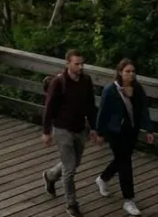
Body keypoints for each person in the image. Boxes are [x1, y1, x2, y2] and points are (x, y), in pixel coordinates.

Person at [43, 49, 100, 217]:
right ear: (67, 63)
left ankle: (50, 176)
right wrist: (47, 131)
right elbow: (49, 108)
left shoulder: (86, 80)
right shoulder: (59, 82)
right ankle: (71, 204)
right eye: (77, 64)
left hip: (79, 128)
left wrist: (94, 127)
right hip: (62, 129)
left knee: (75, 163)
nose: (80, 67)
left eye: (82, 63)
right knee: (70, 170)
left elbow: (90, 105)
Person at [95, 59, 154, 216]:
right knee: (125, 163)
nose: (131, 74)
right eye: (127, 71)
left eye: (133, 71)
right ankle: (129, 200)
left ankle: (103, 178)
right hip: (115, 132)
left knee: (122, 159)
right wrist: (99, 133)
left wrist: (149, 129)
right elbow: (103, 113)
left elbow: (143, 109)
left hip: (131, 131)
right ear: (120, 72)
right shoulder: (110, 90)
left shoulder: (137, 88)